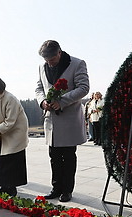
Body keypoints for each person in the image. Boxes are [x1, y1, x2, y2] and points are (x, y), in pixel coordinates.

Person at [35, 40, 89, 202]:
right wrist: (42, 101)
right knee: (54, 156)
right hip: (51, 120)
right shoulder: (42, 67)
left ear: (59, 53)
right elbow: (39, 87)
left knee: (68, 156)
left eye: (51, 60)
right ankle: (56, 187)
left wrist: (62, 101)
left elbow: (83, 88)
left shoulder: (77, 64)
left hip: (69, 119)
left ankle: (67, 190)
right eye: (46, 60)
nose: (49, 63)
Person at [0, 74, 29, 197]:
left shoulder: (10, 99)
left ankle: (10, 187)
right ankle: (5, 186)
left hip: (15, 133)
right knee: (2, 160)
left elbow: (10, 121)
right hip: (1, 132)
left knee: (11, 161)